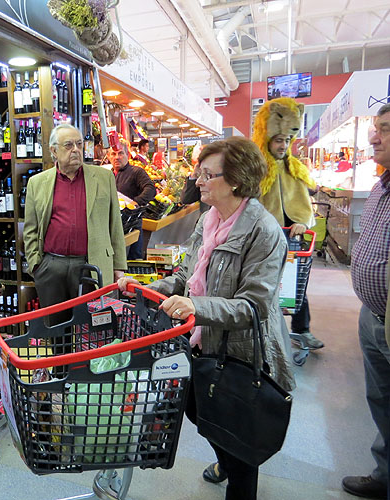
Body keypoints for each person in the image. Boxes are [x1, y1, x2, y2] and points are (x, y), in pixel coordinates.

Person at [119, 137, 295, 500]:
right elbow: (186, 276)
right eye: (199, 173)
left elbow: (253, 307)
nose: (197, 181)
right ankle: (225, 460)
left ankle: (235, 473)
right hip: (200, 341)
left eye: (207, 175)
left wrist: (196, 308)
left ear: (236, 180)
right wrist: (145, 288)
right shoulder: (207, 220)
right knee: (199, 411)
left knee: (238, 433)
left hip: (241, 352)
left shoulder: (263, 231)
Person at [23, 123, 127, 325]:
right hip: (52, 267)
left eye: (79, 144)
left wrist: (119, 267)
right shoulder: (37, 183)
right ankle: (59, 348)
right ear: (54, 150)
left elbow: (115, 225)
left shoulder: (104, 177)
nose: (76, 150)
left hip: (92, 265)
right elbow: (30, 229)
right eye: (68, 145)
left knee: (93, 328)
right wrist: (36, 265)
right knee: (55, 327)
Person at [343, 102, 390, 500]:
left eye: (385, 129)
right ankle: (385, 474)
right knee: (381, 399)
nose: (374, 137)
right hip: (371, 315)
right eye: (377, 128)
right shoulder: (380, 188)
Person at [252, 97, 323, 350]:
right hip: (263, 239)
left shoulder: (296, 169)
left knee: (296, 283)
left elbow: (304, 205)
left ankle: (302, 330)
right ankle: (264, 331)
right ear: (267, 139)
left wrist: (303, 223)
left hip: (292, 238)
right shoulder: (257, 170)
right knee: (262, 286)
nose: (283, 145)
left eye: (286, 140)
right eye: (278, 140)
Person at [107, 138, 155, 260]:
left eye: (120, 153)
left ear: (127, 155)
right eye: (113, 154)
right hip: (113, 228)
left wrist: (135, 203)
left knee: (133, 260)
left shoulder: (137, 172)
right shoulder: (107, 175)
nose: (117, 157)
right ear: (108, 157)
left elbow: (151, 189)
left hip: (132, 227)